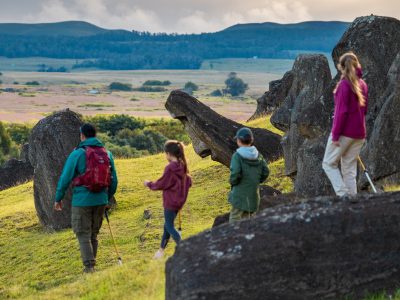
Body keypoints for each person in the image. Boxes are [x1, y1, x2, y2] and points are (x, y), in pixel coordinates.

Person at [54, 123, 118, 273]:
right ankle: (91, 265)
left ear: (82, 135)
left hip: (82, 201)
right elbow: (114, 180)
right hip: (101, 200)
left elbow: (65, 178)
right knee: (93, 233)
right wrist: (106, 198)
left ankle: (89, 267)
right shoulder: (107, 153)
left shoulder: (77, 154)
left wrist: (58, 198)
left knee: (83, 233)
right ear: (95, 135)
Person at [322, 52, 368, 196]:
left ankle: (343, 195)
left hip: (344, 133)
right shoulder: (363, 84)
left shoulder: (344, 85)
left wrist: (335, 135)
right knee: (349, 168)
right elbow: (364, 110)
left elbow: (341, 112)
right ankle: (352, 198)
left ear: (341, 67)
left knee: (328, 164)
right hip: (359, 134)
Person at [144, 140, 192, 259]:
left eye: (165, 153)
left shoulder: (170, 167)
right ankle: (160, 251)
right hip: (179, 201)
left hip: (170, 202)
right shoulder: (182, 165)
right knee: (167, 225)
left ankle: (184, 247)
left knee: (169, 226)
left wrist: (149, 184)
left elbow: (162, 183)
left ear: (169, 154)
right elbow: (189, 182)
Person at [229, 127, 269, 223]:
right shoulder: (258, 155)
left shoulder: (237, 156)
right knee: (250, 221)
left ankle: (234, 238)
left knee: (234, 219)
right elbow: (266, 171)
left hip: (239, 194)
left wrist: (233, 182)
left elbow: (235, 173)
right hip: (254, 195)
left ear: (238, 141)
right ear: (251, 140)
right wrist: (255, 180)